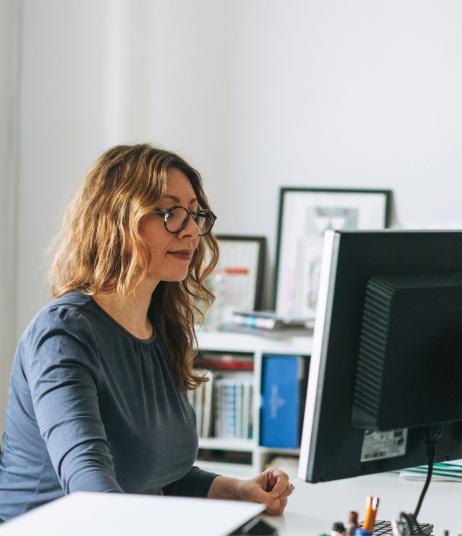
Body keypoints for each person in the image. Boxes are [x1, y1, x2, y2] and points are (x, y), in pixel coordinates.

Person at [0, 144, 293, 523]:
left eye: (194, 214)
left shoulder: (160, 330)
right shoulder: (62, 335)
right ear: (117, 220)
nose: (190, 231)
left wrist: (238, 490)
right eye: (171, 212)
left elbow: (154, 475)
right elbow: (91, 491)